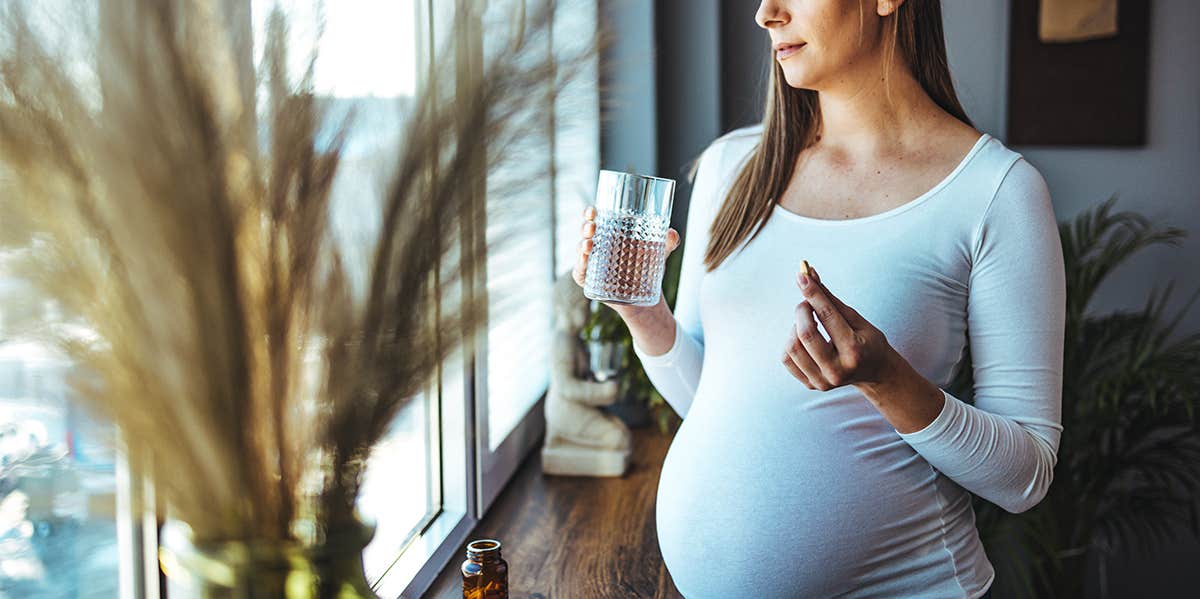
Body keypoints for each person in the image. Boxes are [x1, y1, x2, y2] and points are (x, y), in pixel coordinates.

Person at [572, 0, 1064, 597]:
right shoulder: (733, 168)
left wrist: (888, 380)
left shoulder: (994, 193)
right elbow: (712, 401)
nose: (764, 14)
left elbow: (1027, 477)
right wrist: (644, 315)